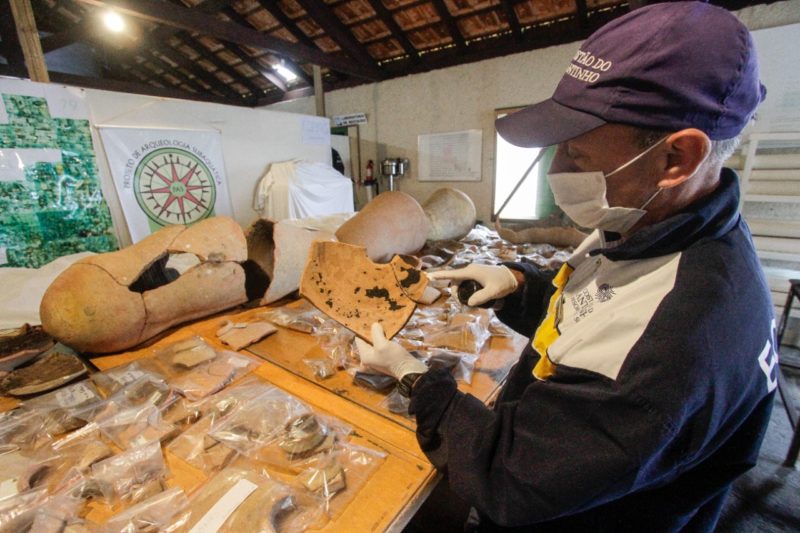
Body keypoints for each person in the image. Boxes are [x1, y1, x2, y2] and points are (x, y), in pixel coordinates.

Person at [354, 2, 779, 531]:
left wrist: (416, 377)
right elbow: (597, 318)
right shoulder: (654, 227)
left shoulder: (682, 339)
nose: (558, 172)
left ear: (677, 159)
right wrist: (519, 287)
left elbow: (510, 476)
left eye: (576, 156)